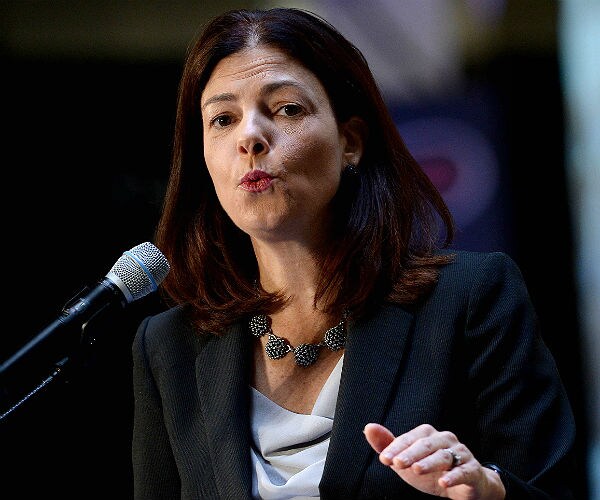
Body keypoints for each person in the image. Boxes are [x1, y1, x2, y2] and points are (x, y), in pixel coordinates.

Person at [131, 7, 576, 499]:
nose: (250, 136)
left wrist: (488, 489)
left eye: (286, 109)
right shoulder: (170, 347)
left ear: (351, 143)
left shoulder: (469, 301)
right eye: (222, 119)